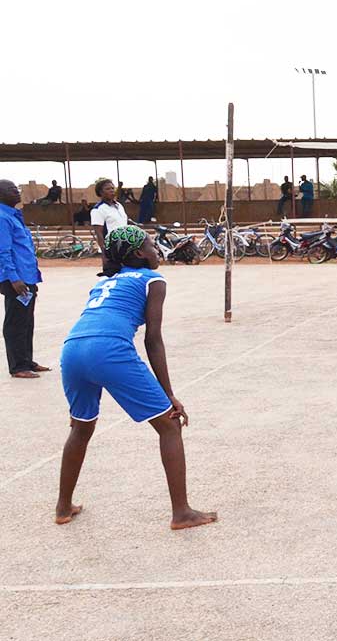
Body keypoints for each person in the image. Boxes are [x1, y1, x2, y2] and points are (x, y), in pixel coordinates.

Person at [55, 225, 217, 529]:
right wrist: (169, 395)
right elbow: (152, 339)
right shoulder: (152, 279)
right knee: (169, 426)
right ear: (139, 254)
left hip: (72, 349)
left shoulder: (105, 283)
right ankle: (181, 513)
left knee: (80, 429)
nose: (156, 251)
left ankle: (63, 507)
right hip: (109, 349)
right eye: (152, 246)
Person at [0, 179, 47, 379]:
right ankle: (18, 366)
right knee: (16, 322)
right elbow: (3, 251)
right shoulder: (2, 217)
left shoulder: (14, 215)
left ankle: (27, 360)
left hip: (27, 276)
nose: (17, 192)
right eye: (11, 189)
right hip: (16, 279)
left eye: (17, 188)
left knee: (27, 321)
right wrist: (14, 279)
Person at [90, 179, 129, 274]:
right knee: (113, 276)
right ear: (100, 192)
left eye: (112, 188)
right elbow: (99, 233)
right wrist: (105, 254)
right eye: (107, 189)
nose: (111, 190)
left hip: (125, 247)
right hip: (112, 250)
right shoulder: (98, 210)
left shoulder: (119, 206)